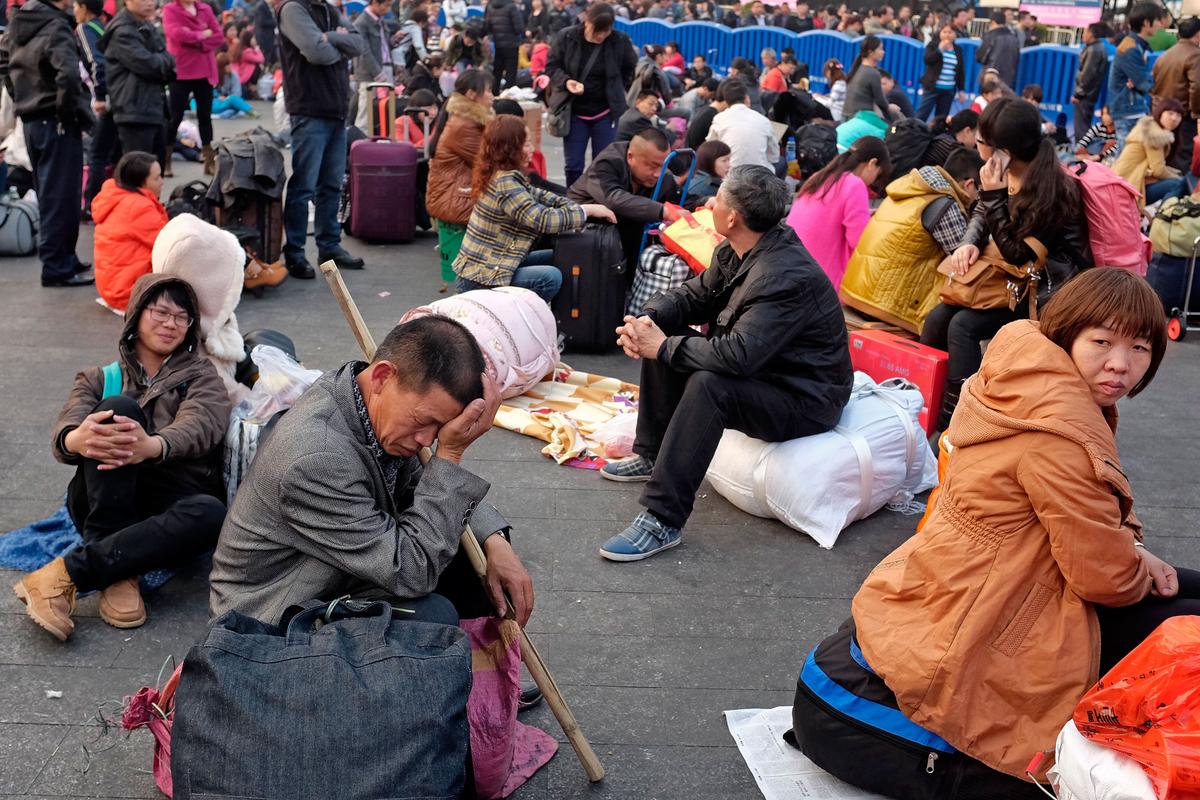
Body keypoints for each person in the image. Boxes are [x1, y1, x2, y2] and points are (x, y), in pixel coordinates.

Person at [831, 269, 1193, 799]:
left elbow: (1097, 533)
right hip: (1005, 606)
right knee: (1186, 627)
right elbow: (1104, 579)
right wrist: (1138, 563)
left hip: (978, 575)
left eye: (1140, 348)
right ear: (1067, 334)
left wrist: (1136, 553)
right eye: (1102, 342)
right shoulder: (1060, 431)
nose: (1121, 364)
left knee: (1182, 592)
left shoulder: (1020, 377)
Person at [208, 315, 535, 635]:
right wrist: (450, 455)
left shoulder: (366, 399)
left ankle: (477, 680)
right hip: (268, 616)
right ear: (381, 377)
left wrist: (495, 541)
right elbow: (410, 572)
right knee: (429, 619)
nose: (427, 441)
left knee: (472, 559)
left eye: (441, 430)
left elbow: (424, 486)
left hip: (339, 569)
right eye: (425, 422)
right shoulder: (316, 459)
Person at [596, 165, 853, 562]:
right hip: (768, 373)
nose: (710, 202)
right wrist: (647, 318)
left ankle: (662, 518)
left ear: (732, 217)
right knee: (666, 334)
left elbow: (738, 356)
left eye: (719, 198)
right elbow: (694, 296)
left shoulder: (784, 275)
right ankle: (651, 454)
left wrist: (662, 346)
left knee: (706, 382)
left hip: (806, 397)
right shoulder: (737, 248)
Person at [14, 274, 230, 641]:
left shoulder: (200, 375)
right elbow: (66, 427)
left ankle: (66, 576)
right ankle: (117, 569)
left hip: (167, 494)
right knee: (117, 409)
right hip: (101, 494)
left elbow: (203, 423)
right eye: (160, 312)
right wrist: (76, 438)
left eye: (181, 317)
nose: (170, 324)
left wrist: (154, 445)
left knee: (211, 513)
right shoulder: (98, 377)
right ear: (136, 315)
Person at [921, 98, 1091, 430]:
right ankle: (924, 404)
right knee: (938, 317)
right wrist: (969, 242)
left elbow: (1017, 253)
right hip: (1013, 283)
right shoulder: (1007, 171)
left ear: (1004, 150)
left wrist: (995, 195)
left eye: (982, 141)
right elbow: (983, 213)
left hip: (1048, 294)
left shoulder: (1056, 190)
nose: (976, 145)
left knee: (963, 325)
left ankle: (963, 419)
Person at [453, 116, 614, 301]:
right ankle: (515, 320)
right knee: (549, 278)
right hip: (481, 277)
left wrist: (574, 206)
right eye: (526, 144)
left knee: (560, 255)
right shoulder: (505, 182)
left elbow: (543, 197)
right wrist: (586, 211)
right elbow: (542, 219)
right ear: (510, 148)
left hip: (493, 265)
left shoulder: (505, 175)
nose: (532, 149)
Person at [6, 0, 97, 288]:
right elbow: (68, 76)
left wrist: (22, 97)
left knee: (51, 194)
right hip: (54, 119)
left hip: (34, 119)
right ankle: (58, 267)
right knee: (61, 196)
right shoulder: (55, 23)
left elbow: (3, 62)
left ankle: (63, 258)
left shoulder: (20, 20)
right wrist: (65, 111)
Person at [841, 148, 983, 331]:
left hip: (856, 290)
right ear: (969, 184)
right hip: (885, 306)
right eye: (979, 191)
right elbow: (963, 259)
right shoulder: (944, 204)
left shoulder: (910, 188)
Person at [277, 0, 364, 279]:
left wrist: (332, 38)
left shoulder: (328, 9)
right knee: (304, 187)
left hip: (336, 110)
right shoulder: (293, 9)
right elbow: (317, 53)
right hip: (309, 109)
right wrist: (339, 44)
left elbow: (359, 44)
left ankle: (329, 246)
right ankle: (295, 252)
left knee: (331, 186)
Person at [546, 2, 637, 188]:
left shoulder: (619, 41)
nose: (602, 36)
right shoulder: (567, 37)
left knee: (603, 164)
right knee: (573, 164)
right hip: (574, 110)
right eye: (598, 30)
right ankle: (573, 200)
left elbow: (630, 68)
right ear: (587, 21)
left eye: (606, 31)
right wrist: (566, 81)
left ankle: (598, 201)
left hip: (605, 112)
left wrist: (617, 89)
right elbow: (552, 66)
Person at [567, 127, 684, 268]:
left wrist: (706, 201)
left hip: (620, 236)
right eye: (652, 166)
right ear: (630, 156)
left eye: (663, 166)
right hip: (584, 232)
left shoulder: (663, 175)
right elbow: (613, 198)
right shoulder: (608, 163)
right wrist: (663, 211)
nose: (658, 174)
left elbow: (679, 198)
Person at [786, 136, 889, 289]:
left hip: (790, 271)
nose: (873, 182)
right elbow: (861, 244)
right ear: (872, 163)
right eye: (878, 175)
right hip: (824, 287)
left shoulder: (820, 177)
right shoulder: (855, 185)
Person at [427, 69, 494, 287]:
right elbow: (489, 163)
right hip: (457, 199)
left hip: (455, 194)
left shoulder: (462, 117)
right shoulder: (464, 125)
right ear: (473, 95)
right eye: (489, 91)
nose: (493, 96)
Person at [99, 0, 176, 168]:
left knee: (155, 174)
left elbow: (170, 62)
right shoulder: (122, 30)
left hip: (154, 108)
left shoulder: (147, 26)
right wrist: (162, 63)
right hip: (134, 111)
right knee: (139, 175)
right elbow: (150, 65)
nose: (149, 3)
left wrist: (162, 63)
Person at [93, 151, 168, 313]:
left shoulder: (114, 195)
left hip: (113, 287)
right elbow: (169, 244)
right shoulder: (139, 206)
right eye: (157, 178)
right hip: (130, 293)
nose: (162, 182)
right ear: (141, 183)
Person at [162, 0, 222, 177]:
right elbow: (176, 34)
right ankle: (166, 161)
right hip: (181, 71)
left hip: (204, 71)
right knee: (174, 118)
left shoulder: (205, 9)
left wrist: (198, 40)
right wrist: (203, 34)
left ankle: (209, 160)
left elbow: (218, 36)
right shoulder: (170, 10)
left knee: (205, 117)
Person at [76, 0, 116, 223]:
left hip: (106, 100)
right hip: (121, 96)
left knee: (97, 155)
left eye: (75, 7)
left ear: (83, 7)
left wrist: (100, 96)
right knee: (113, 154)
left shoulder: (85, 28)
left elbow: (96, 62)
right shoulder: (104, 26)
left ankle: (93, 205)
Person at [1112, 97, 1188, 208]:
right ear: (1160, 113)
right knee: (1178, 184)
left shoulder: (1150, 127)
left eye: (1178, 115)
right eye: (1170, 113)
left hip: (1125, 183)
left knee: (1180, 179)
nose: (1174, 118)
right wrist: (1179, 178)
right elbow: (1158, 170)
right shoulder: (1154, 134)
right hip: (1129, 188)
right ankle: (1163, 219)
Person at [1151, 16, 1200, 174]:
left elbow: (1154, 84)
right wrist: (1196, 112)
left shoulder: (1164, 56)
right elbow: (1197, 86)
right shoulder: (1195, 55)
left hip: (1162, 112)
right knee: (1182, 157)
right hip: (1182, 115)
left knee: (1167, 155)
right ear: (1198, 34)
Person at [1110, 2, 1162, 145]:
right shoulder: (1131, 48)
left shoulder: (1136, 45)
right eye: (1157, 20)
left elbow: (1140, 81)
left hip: (1131, 108)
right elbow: (1144, 83)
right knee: (1125, 159)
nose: (1160, 24)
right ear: (1146, 22)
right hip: (1128, 110)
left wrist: (1143, 79)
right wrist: (1148, 78)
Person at [705, 78, 778, 170]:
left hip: (729, 175)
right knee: (781, 163)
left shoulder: (719, 118)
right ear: (746, 98)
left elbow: (711, 148)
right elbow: (774, 156)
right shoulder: (763, 120)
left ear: (726, 102)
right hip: (759, 176)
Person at [352, 0, 396, 131]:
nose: (388, 9)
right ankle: (360, 142)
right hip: (369, 73)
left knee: (385, 109)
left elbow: (383, 46)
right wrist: (377, 72)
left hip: (385, 67)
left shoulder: (380, 20)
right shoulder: (361, 23)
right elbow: (364, 51)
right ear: (375, 3)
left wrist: (394, 41)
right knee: (365, 111)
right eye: (386, 5)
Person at [915, 24, 963, 122]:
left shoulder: (957, 49)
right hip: (932, 87)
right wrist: (940, 49)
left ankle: (937, 136)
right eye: (944, 32)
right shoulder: (933, 45)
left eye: (950, 32)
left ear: (955, 35)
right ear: (940, 33)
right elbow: (927, 60)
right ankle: (914, 133)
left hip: (949, 89)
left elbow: (960, 71)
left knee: (941, 119)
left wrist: (961, 89)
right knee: (921, 115)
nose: (947, 35)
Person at [842, 36, 895, 123]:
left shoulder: (857, 68)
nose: (883, 52)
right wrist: (891, 119)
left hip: (847, 116)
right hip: (860, 119)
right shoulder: (873, 73)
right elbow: (880, 101)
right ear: (870, 52)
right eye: (880, 49)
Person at [1074, 21, 1111, 144]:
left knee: (1081, 128)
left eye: (1085, 31)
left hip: (1085, 95)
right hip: (1090, 94)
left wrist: (1078, 94)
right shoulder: (1097, 48)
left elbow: (1087, 76)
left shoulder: (1094, 50)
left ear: (1091, 34)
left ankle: (1082, 154)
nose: (1083, 34)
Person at [482, 0, 523, 93]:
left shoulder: (490, 6)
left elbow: (486, 25)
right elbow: (519, 27)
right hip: (511, 44)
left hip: (497, 44)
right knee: (511, 73)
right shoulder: (511, 6)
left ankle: (494, 93)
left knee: (497, 71)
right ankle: (508, 93)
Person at [975, 10, 1018, 89]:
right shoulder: (1014, 38)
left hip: (990, 75)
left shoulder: (990, 36)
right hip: (1008, 78)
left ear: (993, 22)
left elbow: (980, 57)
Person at [685, 78, 727, 148]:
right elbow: (689, 122)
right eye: (713, 94)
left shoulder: (706, 100)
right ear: (705, 89)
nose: (713, 97)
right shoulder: (690, 100)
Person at [686, 139, 729, 205]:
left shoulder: (698, 177)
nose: (729, 165)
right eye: (724, 160)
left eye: (729, 159)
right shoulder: (705, 186)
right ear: (710, 161)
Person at [234, 31, 265, 98]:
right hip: (244, 77)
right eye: (253, 38)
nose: (255, 40)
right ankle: (253, 87)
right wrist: (257, 50)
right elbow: (261, 59)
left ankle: (252, 88)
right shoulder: (247, 52)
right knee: (258, 66)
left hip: (247, 75)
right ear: (248, 39)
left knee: (258, 66)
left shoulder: (245, 50)